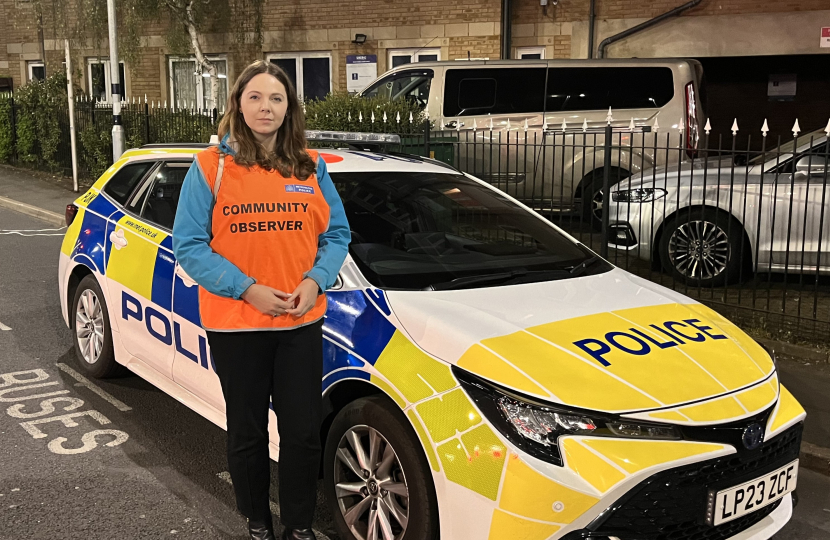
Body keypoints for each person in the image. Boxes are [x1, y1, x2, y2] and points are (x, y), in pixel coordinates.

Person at [172, 60, 350, 540]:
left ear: (289, 106)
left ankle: (297, 526)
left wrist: (316, 280)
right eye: (255, 97)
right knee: (247, 433)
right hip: (236, 324)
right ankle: (257, 521)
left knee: (302, 434)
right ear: (239, 104)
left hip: (300, 324)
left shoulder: (310, 166)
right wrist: (246, 288)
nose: (265, 107)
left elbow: (336, 234)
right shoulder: (211, 165)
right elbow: (188, 244)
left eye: (276, 98)